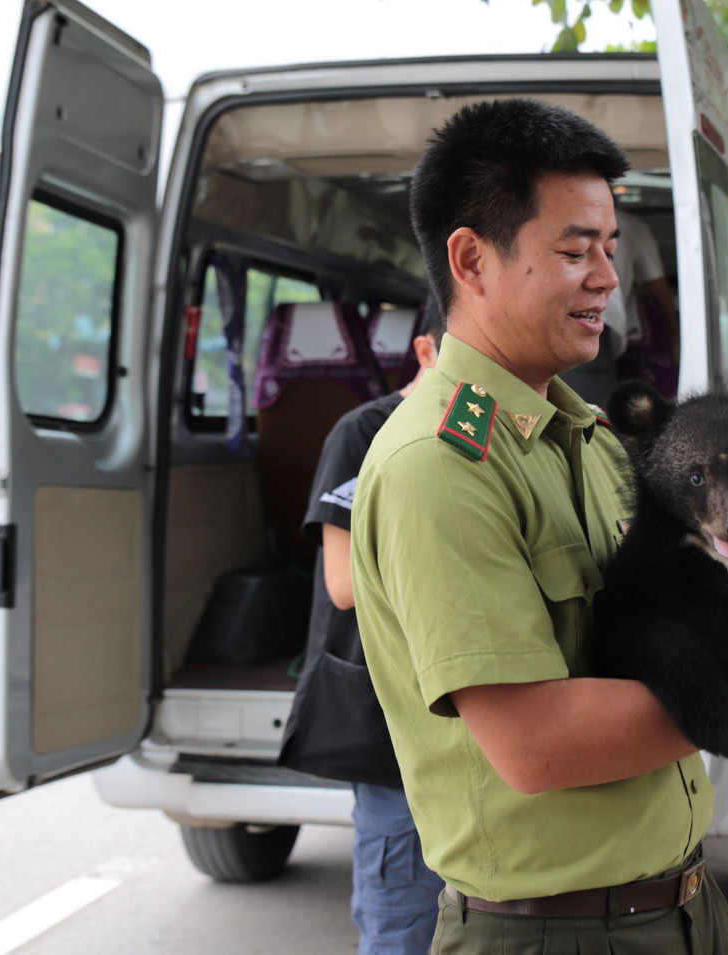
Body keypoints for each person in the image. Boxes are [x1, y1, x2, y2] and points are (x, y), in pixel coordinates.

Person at [349, 98, 728, 954]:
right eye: (573, 250)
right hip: (555, 934)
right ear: (472, 259)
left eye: (608, 247)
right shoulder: (440, 468)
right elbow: (537, 746)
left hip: (676, 906)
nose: (606, 277)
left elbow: (677, 601)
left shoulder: (589, 441)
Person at [277, 303, 445, 955]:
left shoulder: (478, 433)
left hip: (462, 712)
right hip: (387, 720)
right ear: (426, 351)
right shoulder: (363, 431)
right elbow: (343, 585)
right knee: (401, 909)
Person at [560, 207, 676, 405]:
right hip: (590, 320)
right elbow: (658, 287)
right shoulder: (632, 225)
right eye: (576, 253)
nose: (611, 279)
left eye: (610, 254)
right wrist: (674, 333)